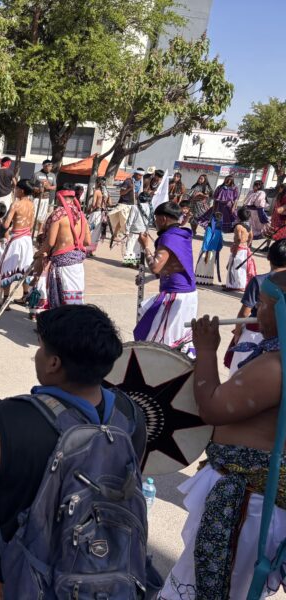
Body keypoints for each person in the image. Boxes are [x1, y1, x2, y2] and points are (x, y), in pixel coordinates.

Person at [0, 305, 146, 599]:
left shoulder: (4, 419)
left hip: (5, 574)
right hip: (95, 572)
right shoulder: (131, 416)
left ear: (54, 364)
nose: (37, 354)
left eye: (41, 349)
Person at [158, 274, 286, 599]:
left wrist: (205, 349)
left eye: (265, 304)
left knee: (209, 589)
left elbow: (213, 408)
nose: (256, 308)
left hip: (247, 505)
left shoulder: (276, 367)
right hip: (254, 501)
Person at [134, 202, 198, 355]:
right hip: (186, 294)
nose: (155, 223)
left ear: (163, 219)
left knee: (162, 339)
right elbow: (169, 267)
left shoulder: (169, 238)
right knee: (176, 336)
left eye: (156, 219)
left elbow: (156, 266)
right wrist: (147, 279)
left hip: (176, 295)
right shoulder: (181, 235)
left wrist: (145, 246)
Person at [228, 239, 286, 374]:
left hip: (255, 334)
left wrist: (237, 332)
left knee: (241, 373)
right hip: (280, 339)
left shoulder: (259, 281)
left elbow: (244, 312)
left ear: (268, 257)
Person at [35, 187, 88, 307]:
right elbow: (87, 241)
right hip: (78, 265)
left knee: (60, 298)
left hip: (62, 264)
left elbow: (50, 243)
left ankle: (60, 322)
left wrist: (38, 253)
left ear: (59, 198)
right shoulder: (81, 216)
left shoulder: (58, 215)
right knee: (74, 298)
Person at [0, 179, 35, 308]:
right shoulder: (32, 204)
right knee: (25, 269)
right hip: (27, 239)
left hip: (16, 239)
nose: (14, 190)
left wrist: (1, 222)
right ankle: (25, 295)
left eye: (16, 189)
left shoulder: (16, 204)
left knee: (7, 269)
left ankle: (5, 301)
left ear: (21, 190)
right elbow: (32, 224)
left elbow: (6, 225)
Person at [109, 168, 146, 266]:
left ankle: (131, 261)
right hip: (125, 204)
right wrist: (130, 188)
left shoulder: (140, 183)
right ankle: (117, 235)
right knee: (124, 224)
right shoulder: (128, 181)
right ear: (135, 174)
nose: (140, 177)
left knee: (132, 241)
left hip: (133, 208)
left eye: (141, 176)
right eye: (139, 175)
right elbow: (121, 193)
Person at [225, 206, 257, 292]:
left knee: (233, 266)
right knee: (242, 268)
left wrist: (235, 249)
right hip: (245, 248)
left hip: (238, 248)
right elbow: (251, 236)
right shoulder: (249, 226)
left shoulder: (238, 226)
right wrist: (247, 245)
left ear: (238, 216)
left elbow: (238, 239)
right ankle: (241, 285)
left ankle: (231, 285)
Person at [195, 212, 224, 286]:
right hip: (213, 251)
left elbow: (207, 239)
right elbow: (221, 242)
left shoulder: (209, 228)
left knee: (202, 264)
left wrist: (204, 249)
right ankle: (208, 281)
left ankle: (199, 279)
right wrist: (218, 249)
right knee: (210, 265)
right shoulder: (219, 230)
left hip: (206, 250)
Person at [31, 159, 56, 230]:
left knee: (42, 218)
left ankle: (39, 232)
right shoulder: (36, 174)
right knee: (33, 216)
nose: (49, 167)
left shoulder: (53, 175)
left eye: (51, 166)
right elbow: (30, 186)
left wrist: (49, 187)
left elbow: (54, 186)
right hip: (37, 198)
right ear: (43, 166)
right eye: (48, 165)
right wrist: (38, 189)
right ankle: (30, 231)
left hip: (46, 199)